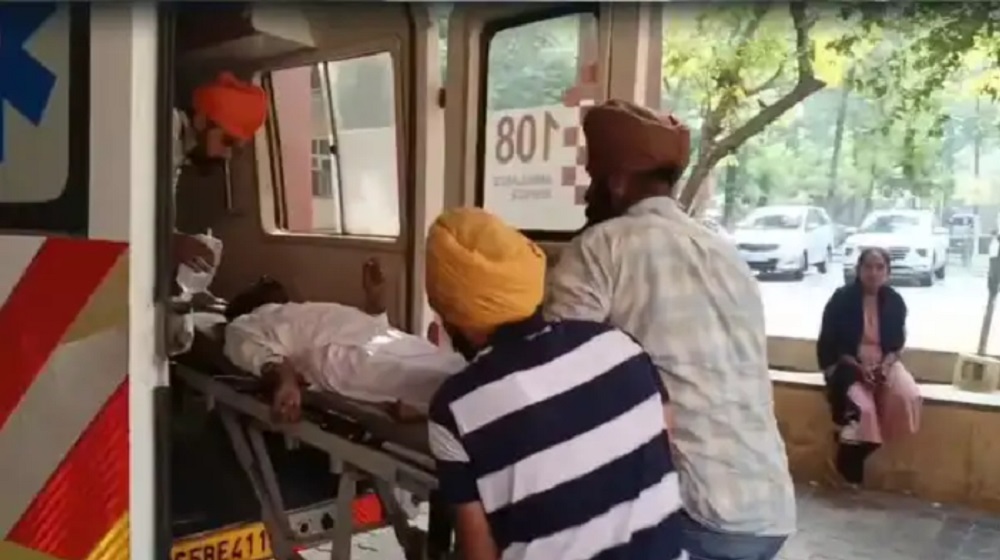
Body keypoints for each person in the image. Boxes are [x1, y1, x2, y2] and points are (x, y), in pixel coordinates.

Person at [546, 99, 795, 560]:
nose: (586, 196)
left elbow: (556, 375)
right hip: (769, 506)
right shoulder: (724, 253)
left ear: (617, 182)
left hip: (694, 512)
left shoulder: (602, 247)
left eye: (592, 180)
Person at [424, 207, 685, 560]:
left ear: (453, 314)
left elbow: (480, 555)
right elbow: (662, 449)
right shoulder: (621, 345)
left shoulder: (454, 408)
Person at [223, 259, 466, 422]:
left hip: (383, 337)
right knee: (427, 380)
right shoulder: (241, 325)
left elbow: (371, 324)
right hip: (335, 354)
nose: (263, 281)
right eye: (256, 285)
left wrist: (375, 302)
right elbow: (265, 356)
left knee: (452, 364)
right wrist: (287, 382)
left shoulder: (300, 308)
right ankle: (435, 407)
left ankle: (453, 396)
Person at [168, 72, 268, 354]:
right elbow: (123, 205)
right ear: (202, 120)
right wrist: (171, 242)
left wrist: (192, 292)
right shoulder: (160, 134)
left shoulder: (178, 151)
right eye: (227, 141)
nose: (226, 155)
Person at [817, 247, 922, 486]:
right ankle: (846, 472)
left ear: (888, 272)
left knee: (906, 396)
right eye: (868, 267)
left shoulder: (894, 301)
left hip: (884, 361)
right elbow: (831, 344)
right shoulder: (842, 299)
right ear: (858, 270)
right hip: (847, 363)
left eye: (879, 267)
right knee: (863, 411)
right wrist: (858, 368)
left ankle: (855, 443)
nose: (873, 273)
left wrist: (885, 366)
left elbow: (897, 344)